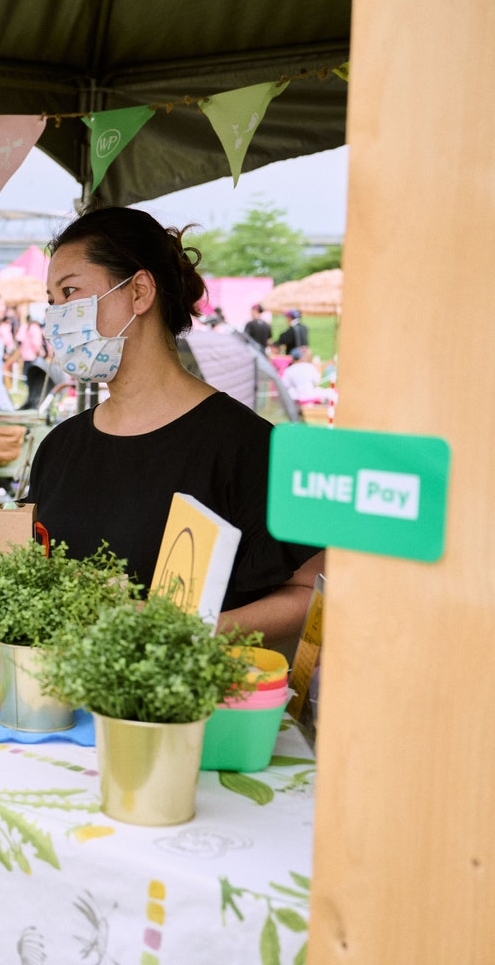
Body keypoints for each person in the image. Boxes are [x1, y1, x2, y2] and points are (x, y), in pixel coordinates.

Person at [25, 207, 324, 650]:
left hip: (187, 712)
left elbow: (310, 592)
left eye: (70, 292)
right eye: (52, 302)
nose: (56, 319)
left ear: (140, 292)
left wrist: (190, 631)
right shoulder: (60, 446)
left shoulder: (248, 446)